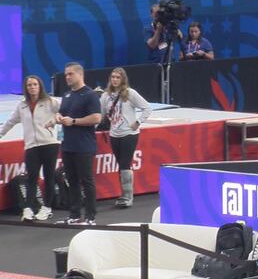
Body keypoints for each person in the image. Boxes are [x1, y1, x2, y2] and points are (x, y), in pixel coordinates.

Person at [0, 76, 60, 221]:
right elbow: (10, 122)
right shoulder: (22, 105)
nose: (32, 87)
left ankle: (47, 208)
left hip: (49, 144)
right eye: (29, 85)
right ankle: (28, 209)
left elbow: (64, 112)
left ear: (40, 86)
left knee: (49, 176)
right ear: (26, 88)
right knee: (31, 177)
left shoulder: (51, 102)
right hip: (31, 146)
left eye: (35, 84)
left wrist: (55, 120)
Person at [56, 62, 102, 225]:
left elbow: (97, 118)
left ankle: (90, 217)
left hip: (84, 146)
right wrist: (58, 117)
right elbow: (63, 112)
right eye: (66, 74)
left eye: (70, 74)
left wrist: (74, 121)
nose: (67, 77)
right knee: (72, 181)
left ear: (80, 75)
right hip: (68, 145)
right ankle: (74, 215)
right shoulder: (67, 95)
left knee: (86, 181)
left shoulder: (90, 95)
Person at [100, 68, 152, 208]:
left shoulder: (130, 93)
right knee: (121, 165)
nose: (115, 79)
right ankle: (124, 194)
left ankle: (127, 196)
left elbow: (147, 108)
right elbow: (102, 114)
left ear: (123, 79)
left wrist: (138, 122)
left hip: (129, 134)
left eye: (118, 77)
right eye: (113, 77)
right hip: (114, 134)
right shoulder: (106, 96)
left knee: (124, 164)